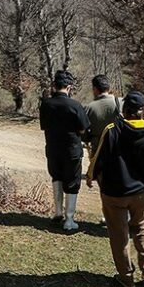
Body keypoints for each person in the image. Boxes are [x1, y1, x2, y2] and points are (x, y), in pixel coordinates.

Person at [87, 91, 144, 287]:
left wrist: (91, 175)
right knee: (141, 224)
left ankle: (126, 277)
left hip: (114, 192)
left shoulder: (112, 130)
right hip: (140, 193)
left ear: (124, 111)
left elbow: (99, 158)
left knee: (119, 233)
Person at [39, 70, 90, 231]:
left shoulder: (46, 104)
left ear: (54, 86)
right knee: (73, 183)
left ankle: (58, 212)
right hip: (72, 150)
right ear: (69, 87)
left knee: (57, 177)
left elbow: (43, 126)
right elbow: (83, 129)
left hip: (53, 148)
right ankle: (69, 219)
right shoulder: (75, 105)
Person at [84, 74, 121, 157]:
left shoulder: (89, 107)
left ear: (95, 89)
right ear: (109, 87)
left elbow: (84, 133)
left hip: (98, 151)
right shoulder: (120, 103)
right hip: (118, 149)